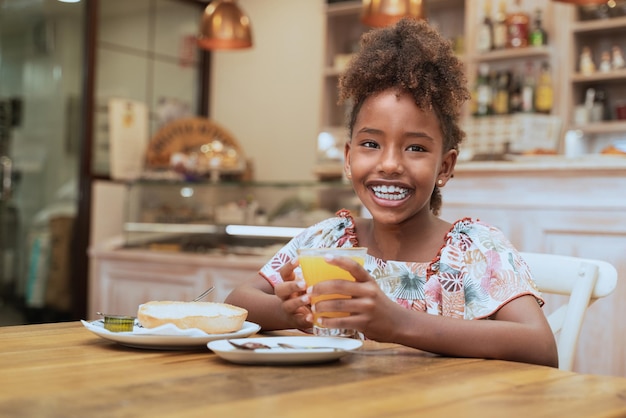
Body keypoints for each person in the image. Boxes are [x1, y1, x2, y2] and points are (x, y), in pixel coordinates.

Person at [225, 18, 558, 368]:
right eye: (371, 144)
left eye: (415, 148)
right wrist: (293, 313)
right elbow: (239, 301)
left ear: (444, 167)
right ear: (349, 158)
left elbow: (541, 347)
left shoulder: (475, 249)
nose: (389, 164)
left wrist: (398, 324)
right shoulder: (329, 242)